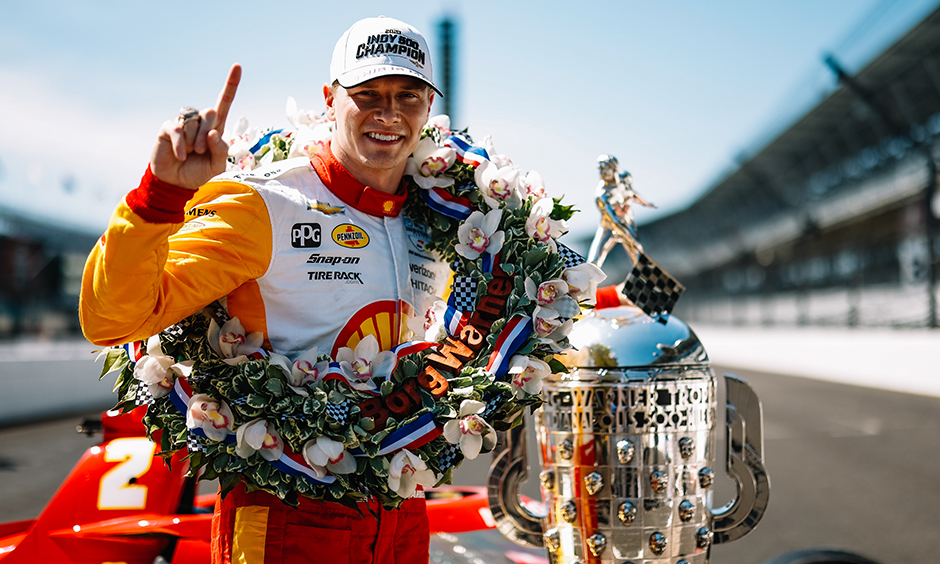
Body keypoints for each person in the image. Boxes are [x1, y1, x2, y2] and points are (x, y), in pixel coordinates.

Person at [80, 16, 450, 564]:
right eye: (367, 94)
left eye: (408, 96)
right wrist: (159, 198)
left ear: (428, 107)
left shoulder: (439, 218)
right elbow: (114, 319)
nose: (389, 114)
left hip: (400, 510)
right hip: (285, 507)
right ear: (330, 99)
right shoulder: (265, 205)